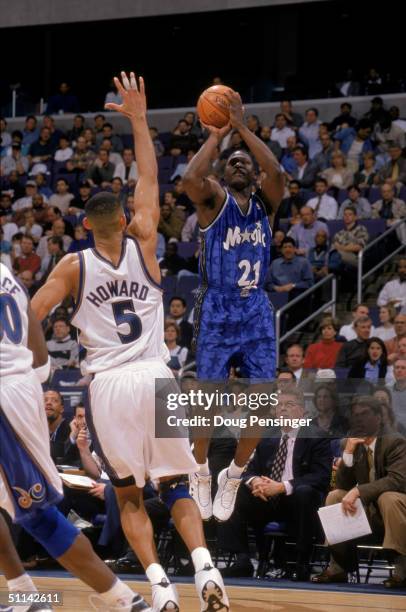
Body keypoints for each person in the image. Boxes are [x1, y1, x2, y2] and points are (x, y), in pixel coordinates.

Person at [32, 71, 229, 612]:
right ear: (123, 218)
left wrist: (39, 358)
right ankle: (206, 567)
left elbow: (32, 311)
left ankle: (160, 585)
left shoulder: (72, 266)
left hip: (111, 386)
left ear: (84, 223)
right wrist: (140, 120)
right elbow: (149, 176)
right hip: (158, 376)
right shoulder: (146, 244)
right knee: (177, 484)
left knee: (129, 495)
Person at [0, 263, 150, 612]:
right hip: (19, 385)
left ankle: (126, 601)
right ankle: (26, 596)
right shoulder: (6, 272)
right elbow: (35, 341)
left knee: (36, 512)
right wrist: (29, 378)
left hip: (5, 397)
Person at [183, 88, 284, 522]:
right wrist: (216, 136)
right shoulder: (212, 203)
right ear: (224, 175)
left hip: (256, 308)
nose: (240, 163)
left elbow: (277, 169)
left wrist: (241, 126)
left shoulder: (267, 204)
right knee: (207, 401)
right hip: (217, 307)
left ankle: (235, 474)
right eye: (233, 162)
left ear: (255, 176)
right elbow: (190, 179)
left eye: (246, 162)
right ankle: (201, 471)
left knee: (263, 402)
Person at [218, 388, 332, 581]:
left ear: (302, 411)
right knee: (231, 489)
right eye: (279, 405)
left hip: (296, 501)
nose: (283, 409)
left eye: (289, 405)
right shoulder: (267, 435)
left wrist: (282, 486)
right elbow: (250, 469)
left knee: (304, 492)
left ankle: (301, 562)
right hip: (266, 499)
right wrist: (255, 481)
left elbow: (321, 477)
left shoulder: (316, 436)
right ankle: (242, 559)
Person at [312, 396, 406, 589]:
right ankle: (338, 567)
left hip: (397, 509)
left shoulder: (395, 441)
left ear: (379, 418)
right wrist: (347, 454)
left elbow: (397, 480)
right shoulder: (353, 443)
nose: (359, 420)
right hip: (371, 511)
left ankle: (401, 570)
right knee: (335, 496)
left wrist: (358, 491)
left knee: (388, 497)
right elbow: (341, 485)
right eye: (355, 416)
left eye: (365, 414)